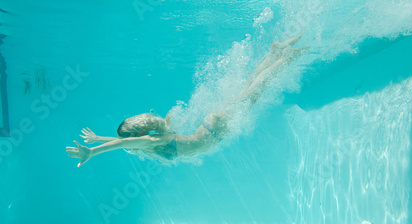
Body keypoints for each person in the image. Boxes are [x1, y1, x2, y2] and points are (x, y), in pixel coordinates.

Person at [67, 35, 309, 167]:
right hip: (211, 126)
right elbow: (123, 143)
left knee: (254, 94)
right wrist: (98, 138)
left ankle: (283, 59)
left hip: (216, 130)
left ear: (136, 137)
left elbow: (121, 145)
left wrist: (91, 151)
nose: (127, 143)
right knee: (247, 91)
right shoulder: (148, 142)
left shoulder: (150, 141)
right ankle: (273, 53)